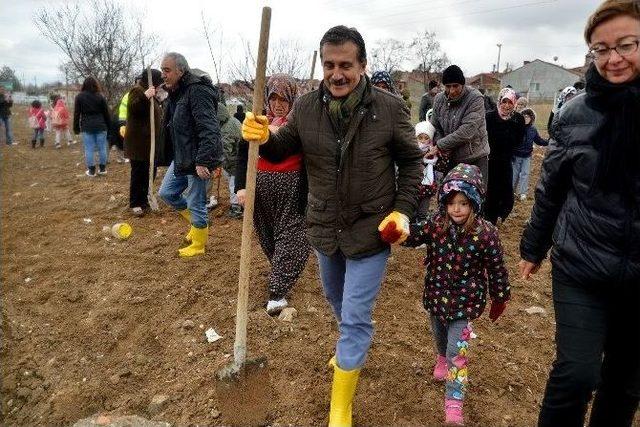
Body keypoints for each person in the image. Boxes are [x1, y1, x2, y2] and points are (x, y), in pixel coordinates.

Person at [242, 25, 423, 426]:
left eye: (346, 65)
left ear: (362, 65)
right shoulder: (306, 107)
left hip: (372, 229)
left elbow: (412, 162)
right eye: (329, 65)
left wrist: (404, 210)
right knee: (337, 301)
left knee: (356, 315)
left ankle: (339, 407)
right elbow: (284, 144)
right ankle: (350, 347)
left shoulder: (389, 108)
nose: (337, 74)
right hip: (323, 227)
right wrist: (263, 137)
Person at [519, 1, 640, 425]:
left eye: (626, 45)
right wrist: (533, 246)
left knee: (625, 384)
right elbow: (551, 188)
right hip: (581, 263)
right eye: (600, 50)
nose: (613, 59)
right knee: (577, 373)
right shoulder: (574, 116)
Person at [404, 163, 510, 426]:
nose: (457, 209)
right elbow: (414, 235)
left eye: (463, 202)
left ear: (474, 203)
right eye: (451, 203)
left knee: (457, 353)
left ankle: (454, 402)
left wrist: (500, 296)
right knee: (440, 337)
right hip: (436, 298)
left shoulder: (486, 234)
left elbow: (497, 267)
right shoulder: (436, 225)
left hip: (466, 304)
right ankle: (441, 358)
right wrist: (398, 231)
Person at [235, 74, 311, 314]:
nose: (278, 103)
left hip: (292, 187)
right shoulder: (256, 122)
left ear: (292, 99)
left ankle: (277, 294)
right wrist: (242, 186)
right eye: (273, 97)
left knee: (293, 235)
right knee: (268, 235)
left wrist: (276, 132)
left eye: (284, 99)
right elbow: (242, 155)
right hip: (261, 188)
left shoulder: (300, 122)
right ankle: (281, 270)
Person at [157, 52, 222, 258]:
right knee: (167, 193)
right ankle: (196, 226)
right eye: (162, 70)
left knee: (196, 201)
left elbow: (209, 128)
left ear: (180, 70)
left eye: (167, 70)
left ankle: (199, 243)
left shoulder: (197, 91)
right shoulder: (177, 92)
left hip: (198, 158)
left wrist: (204, 160)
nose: (163, 75)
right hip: (182, 156)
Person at [430, 65, 490, 187]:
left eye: (455, 86)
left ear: (462, 84)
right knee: (449, 195)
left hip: (474, 157)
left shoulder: (475, 98)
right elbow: (435, 126)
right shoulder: (439, 99)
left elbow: (467, 131)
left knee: (475, 197)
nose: (452, 90)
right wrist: (441, 143)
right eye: (448, 86)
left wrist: (440, 145)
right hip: (450, 158)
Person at [123, 69, 163, 216]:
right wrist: (145, 96)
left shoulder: (152, 93)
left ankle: (144, 199)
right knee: (139, 173)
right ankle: (135, 202)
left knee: (149, 172)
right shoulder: (137, 91)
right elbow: (134, 108)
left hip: (149, 144)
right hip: (138, 144)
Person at [484, 88, 525, 224]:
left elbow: (520, 139)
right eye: (504, 101)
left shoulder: (517, 119)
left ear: (514, 103)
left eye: (510, 102)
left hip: (506, 160)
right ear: (499, 101)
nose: (507, 105)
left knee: (506, 189)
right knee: (490, 189)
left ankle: (502, 214)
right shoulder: (489, 117)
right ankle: (488, 217)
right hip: (490, 160)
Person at [73, 76, 111, 177]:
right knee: (102, 148)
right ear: (96, 84)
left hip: (87, 126)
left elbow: (77, 114)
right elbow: (106, 113)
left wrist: (76, 128)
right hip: (101, 125)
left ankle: (91, 171)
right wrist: (109, 127)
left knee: (89, 149)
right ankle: (102, 170)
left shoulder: (79, 97)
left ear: (84, 85)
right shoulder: (100, 96)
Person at [512, 108, 548, 201]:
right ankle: (511, 191)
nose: (526, 118)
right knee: (514, 174)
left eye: (528, 116)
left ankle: (522, 193)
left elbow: (539, 140)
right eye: (524, 116)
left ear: (531, 118)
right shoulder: (516, 128)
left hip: (527, 156)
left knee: (525, 174)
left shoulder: (533, 129)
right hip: (516, 155)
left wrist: (549, 141)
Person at [415, 119, 447, 218]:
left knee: (422, 212)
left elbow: (441, 166)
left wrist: (439, 155)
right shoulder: (413, 150)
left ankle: (420, 229)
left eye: (426, 138)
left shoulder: (434, 152)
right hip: (414, 185)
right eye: (420, 138)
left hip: (427, 188)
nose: (423, 141)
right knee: (411, 211)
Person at [216, 102, 243, 218]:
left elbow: (226, 150)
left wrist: (221, 163)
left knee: (234, 184)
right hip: (240, 157)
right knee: (237, 183)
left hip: (235, 160)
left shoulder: (226, 128)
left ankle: (236, 207)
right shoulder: (232, 120)